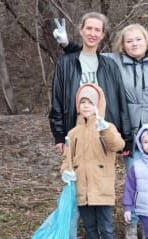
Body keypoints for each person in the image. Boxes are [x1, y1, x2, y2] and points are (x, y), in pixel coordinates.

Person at [53, 21, 148, 239]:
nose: (134, 44)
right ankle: (133, 224)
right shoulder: (113, 61)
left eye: (138, 39)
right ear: (123, 45)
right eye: (129, 41)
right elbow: (88, 56)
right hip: (128, 132)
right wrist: (67, 44)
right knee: (136, 177)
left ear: (146, 40)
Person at [60, 83, 125, 239]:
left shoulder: (106, 127)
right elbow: (66, 159)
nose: (86, 106)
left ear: (97, 105)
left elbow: (118, 145)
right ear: (78, 106)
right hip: (82, 188)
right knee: (89, 224)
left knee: (106, 225)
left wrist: (104, 129)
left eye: (90, 102)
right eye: (82, 102)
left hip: (102, 187)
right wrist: (65, 172)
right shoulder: (73, 133)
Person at [49, 12, 131, 156]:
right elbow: (57, 100)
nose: (92, 33)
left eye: (97, 30)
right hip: (75, 131)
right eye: (89, 28)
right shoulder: (65, 63)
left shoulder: (110, 65)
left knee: (102, 176)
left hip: (104, 133)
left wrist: (126, 136)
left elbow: (121, 102)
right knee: (76, 176)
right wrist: (59, 135)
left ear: (103, 34)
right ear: (81, 30)